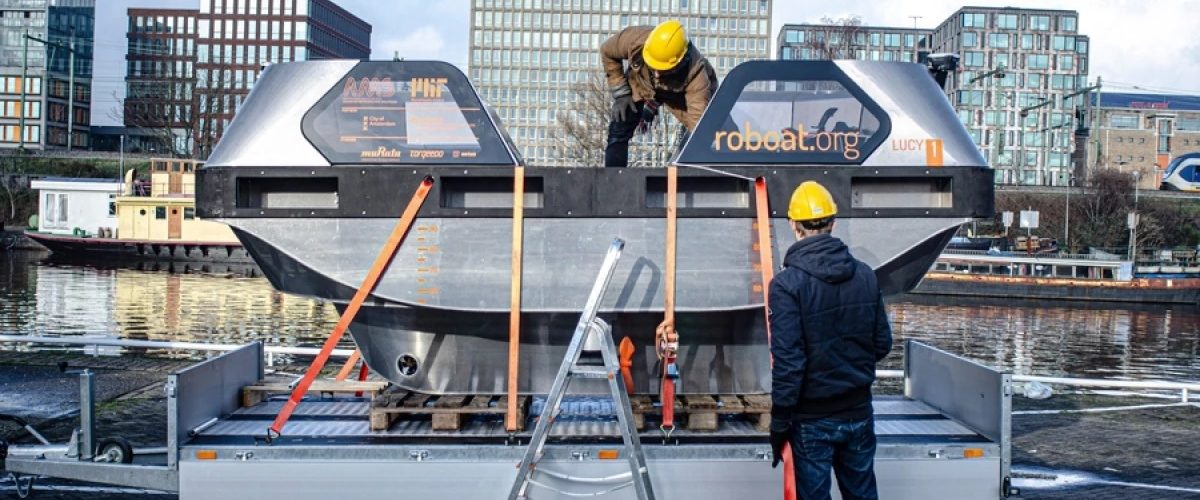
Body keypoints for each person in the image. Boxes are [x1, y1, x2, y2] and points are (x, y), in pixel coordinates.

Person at [767, 181, 893, 500]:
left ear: (794, 225)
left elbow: (789, 363)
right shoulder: (865, 274)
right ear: (833, 223)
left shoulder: (786, 285)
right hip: (858, 410)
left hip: (812, 419)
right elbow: (882, 344)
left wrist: (779, 423)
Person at [600, 20, 718, 167]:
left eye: (662, 69)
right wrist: (621, 93)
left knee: (704, 136)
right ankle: (613, 178)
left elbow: (698, 125)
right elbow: (607, 52)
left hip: (678, 93)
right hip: (641, 81)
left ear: (680, 62)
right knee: (619, 125)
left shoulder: (697, 76)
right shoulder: (634, 39)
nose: (657, 75)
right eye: (653, 66)